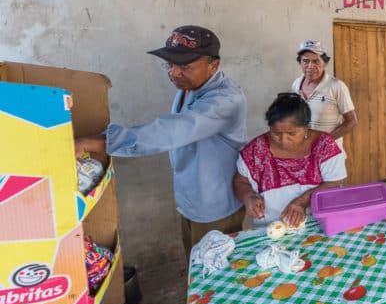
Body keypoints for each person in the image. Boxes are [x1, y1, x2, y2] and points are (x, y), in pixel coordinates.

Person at [74, 26, 247, 256]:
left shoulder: (226, 100)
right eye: (170, 65)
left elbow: (170, 132)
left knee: (216, 274)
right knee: (195, 265)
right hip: (191, 198)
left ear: (213, 65)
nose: (174, 73)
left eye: (185, 66)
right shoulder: (190, 87)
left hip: (215, 205)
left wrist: (96, 143)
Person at [233, 93, 347, 228]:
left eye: (292, 134)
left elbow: (333, 183)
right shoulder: (255, 150)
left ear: (306, 127)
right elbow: (240, 181)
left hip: (317, 224)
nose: (283, 140)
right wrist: (248, 197)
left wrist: (301, 202)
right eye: (276, 133)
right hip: (271, 227)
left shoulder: (323, 145)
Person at [292, 40, 357, 151]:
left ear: (325, 63)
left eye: (316, 61)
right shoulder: (296, 84)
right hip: (304, 151)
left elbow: (352, 121)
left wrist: (324, 142)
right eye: (306, 61)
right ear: (300, 63)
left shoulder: (337, 86)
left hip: (329, 153)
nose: (310, 66)